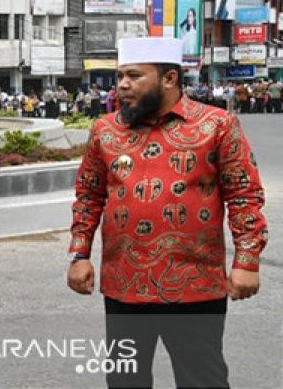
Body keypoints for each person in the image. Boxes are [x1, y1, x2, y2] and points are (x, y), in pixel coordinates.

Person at [67, 36, 267, 388]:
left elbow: (244, 196)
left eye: (134, 76)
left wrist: (247, 262)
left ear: (170, 79)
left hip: (194, 284)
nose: (123, 85)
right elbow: (89, 194)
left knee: (201, 379)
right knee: (126, 380)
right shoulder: (105, 130)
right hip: (123, 285)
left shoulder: (217, 126)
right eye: (120, 76)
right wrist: (79, 253)